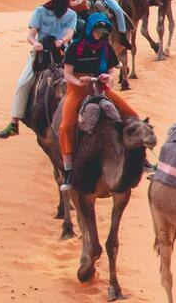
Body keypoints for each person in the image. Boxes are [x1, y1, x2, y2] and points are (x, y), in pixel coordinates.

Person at [58, 15, 139, 188]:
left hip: (101, 87)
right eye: (97, 31)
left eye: (102, 33)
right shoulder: (74, 48)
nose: (99, 35)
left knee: (132, 116)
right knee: (66, 126)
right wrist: (79, 81)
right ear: (90, 29)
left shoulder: (105, 47)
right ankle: (68, 169)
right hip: (78, 88)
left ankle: (138, 159)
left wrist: (107, 76)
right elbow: (68, 74)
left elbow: (112, 69)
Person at [0, 0, 78, 139]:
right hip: (40, 53)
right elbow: (31, 35)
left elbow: (69, 33)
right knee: (22, 83)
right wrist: (35, 44)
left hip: (62, 54)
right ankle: (14, 123)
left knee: (80, 83)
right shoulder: (40, 11)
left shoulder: (71, 15)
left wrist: (62, 41)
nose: (71, 0)